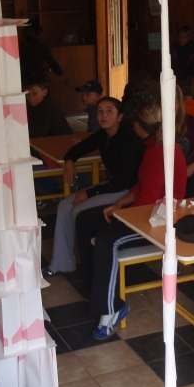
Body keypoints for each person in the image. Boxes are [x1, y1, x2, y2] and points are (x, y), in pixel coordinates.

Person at [75, 102, 187, 340]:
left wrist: (122, 217)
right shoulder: (153, 148)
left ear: (139, 126)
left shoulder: (158, 152)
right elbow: (141, 188)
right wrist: (119, 205)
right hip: (149, 212)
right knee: (85, 220)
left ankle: (111, 308)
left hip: (160, 222)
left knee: (107, 239)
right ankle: (96, 291)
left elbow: (147, 200)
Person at [44, 97, 145, 275]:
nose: (103, 115)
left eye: (109, 111)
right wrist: (69, 160)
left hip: (127, 190)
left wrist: (90, 193)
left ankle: (91, 266)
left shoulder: (128, 138)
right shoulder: (103, 135)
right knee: (64, 205)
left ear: (120, 116)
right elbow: (80, 148)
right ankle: (61, 263)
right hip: (111, 186)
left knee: (77, 209)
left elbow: (122, 182)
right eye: (100, 111)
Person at [20, 20, 64, 85]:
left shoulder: (21, 48)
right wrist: (64, 78)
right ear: (39, 32)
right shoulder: (41, 47)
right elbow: (53, 64)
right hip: (39, 80)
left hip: (24, 80)